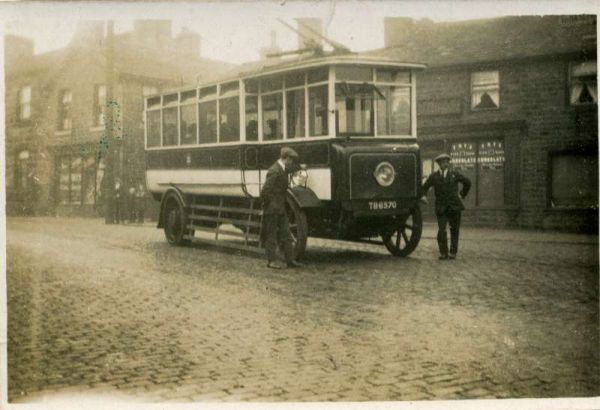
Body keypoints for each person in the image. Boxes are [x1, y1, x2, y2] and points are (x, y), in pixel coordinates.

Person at [421, 153, 471, 260]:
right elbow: (424, 187)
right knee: (442, 230)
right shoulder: (434, 176)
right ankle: (443, 253)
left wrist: (462, 194)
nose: (445, 164)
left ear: (448, 163)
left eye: (447, 162)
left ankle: (453, 252)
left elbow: (468, 182)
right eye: (442, 162)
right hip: (441, 207)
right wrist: (424, 196)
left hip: (454, 206)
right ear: (439, 164)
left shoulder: (454, 174)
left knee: (455, 229)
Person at [260, 147, 304, 269]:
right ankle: (271, 261)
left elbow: (290, 170)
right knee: (271, 235)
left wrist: (301, 167)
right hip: (272, 208)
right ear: (287, 158)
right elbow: (265, 191)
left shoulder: (281, 169)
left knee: (286, 234)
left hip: (280, 208)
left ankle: (290, 261)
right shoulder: (274, 171)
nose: (292, 162)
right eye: (291, 159)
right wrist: (267, 206)